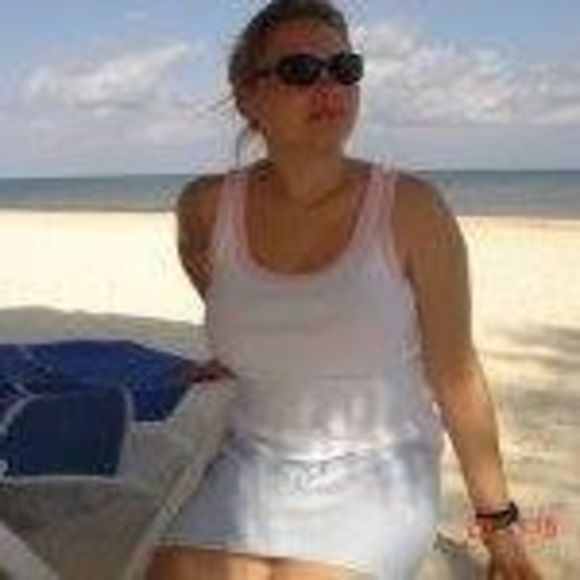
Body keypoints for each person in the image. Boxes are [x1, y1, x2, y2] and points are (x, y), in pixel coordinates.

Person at [146, 1, 543, 578]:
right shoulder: (206, 206)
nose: (329, 86)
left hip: (381, 469)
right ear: (248, 97)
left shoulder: (411, 209)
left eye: (344, 68)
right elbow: (212, 276)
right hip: (252, 460)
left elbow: (456, 376)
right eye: (300, 70)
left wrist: (499, 525)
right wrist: (243, 346)